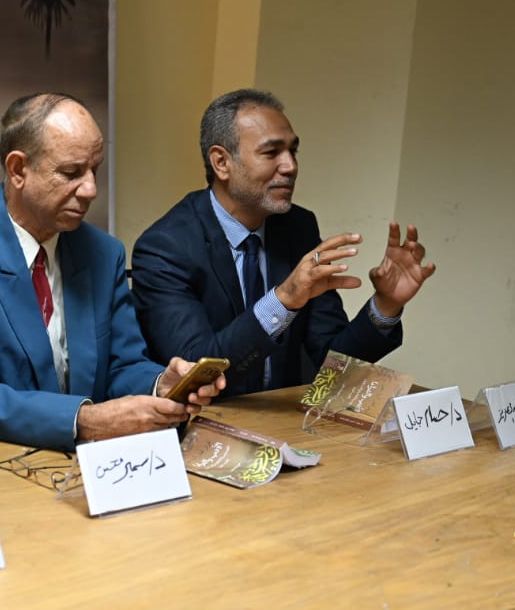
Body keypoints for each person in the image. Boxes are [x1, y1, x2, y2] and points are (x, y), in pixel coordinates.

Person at [0, 92, 224, 451]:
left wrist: (160, 384)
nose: (91, 189)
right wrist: (83, 420)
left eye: (95, 170)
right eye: (71, 173)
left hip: (96, 467)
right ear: (18, 170)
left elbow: (122, 366)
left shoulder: (103, 253)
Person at [131, 88, 435, 397]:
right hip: (202, 419)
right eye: (271, 152)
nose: (290, 166)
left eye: (293, 151)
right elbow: (195, 372)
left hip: (282, 419)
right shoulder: (165, 247)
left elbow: (331, 365)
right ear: (221, 162)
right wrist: (283, 300)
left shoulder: (297, 227)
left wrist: (385, 305)